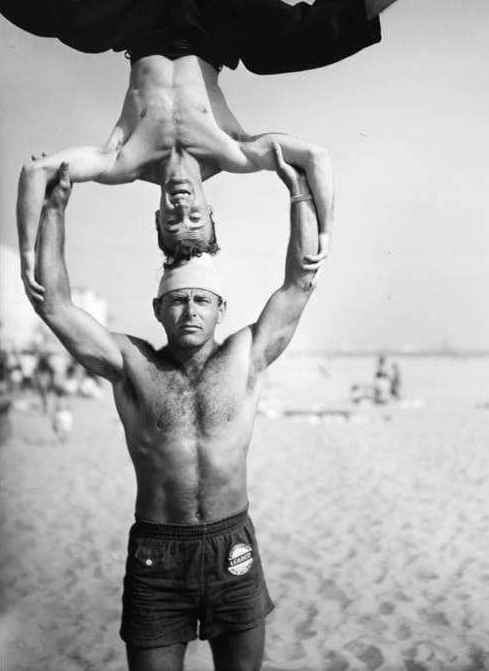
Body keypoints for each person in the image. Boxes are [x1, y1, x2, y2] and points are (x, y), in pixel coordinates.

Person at [0, 0, 489, 302]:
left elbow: (35, 173)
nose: (182, 211)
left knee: (63, 13)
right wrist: (326, 235)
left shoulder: (122, 161)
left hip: (141, 16)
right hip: (214, 25)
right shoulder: (233, 153)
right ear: (212, 215)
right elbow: (316, 157)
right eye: (196, 220)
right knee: (297, 39)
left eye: (172, 222)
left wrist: (26, 254)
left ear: (157, 219)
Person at [33, 150, 324, 670]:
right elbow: (54, 304)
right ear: (158, 309)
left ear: (220, 309)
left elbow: (300, 282)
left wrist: (298, 191)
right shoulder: (132, 365)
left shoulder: (246, 356)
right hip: (157, 555)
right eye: (178, 301)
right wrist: (54, 208)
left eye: (201, 300)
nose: (190, 311)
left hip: (233, 545)